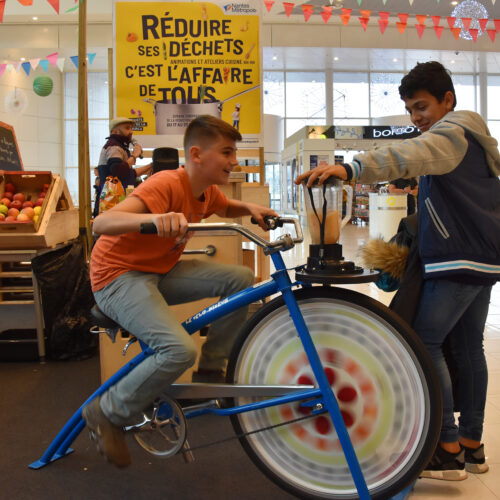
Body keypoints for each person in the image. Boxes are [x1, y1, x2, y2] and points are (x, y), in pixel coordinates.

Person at [296, 61, 500, 481]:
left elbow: (410, 154)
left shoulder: (452, 133)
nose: (416, 118)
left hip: (456, 259)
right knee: (467, 347)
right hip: (481, 258)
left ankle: (445, 448)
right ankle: (471, 445)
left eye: (421, 106)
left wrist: (351, 168)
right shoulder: (478, 141)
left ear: (448, 100)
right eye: (409, 109)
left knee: (423, 342)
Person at [83, 115, 277, 468]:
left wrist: (249, 208)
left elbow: (225, 206)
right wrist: (154, 220)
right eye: (228, 152)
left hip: (159, 270)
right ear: (197, 155)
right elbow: (101, 223)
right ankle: (107, 410)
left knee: (240, 279)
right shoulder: (164, 184)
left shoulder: (206, 191)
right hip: (117, 276)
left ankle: (211, 371)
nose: (235, 161)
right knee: (177, 350)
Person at [93, 117, 153, 217]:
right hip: (111, 203)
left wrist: (151, 165)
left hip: (117, 201)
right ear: (115, 131)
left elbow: (128, 174)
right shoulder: (114, 147)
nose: (131, 132)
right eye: (127, 128)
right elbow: (118, 171)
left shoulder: (121, 148)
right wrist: (135, 155)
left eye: (131, 128)